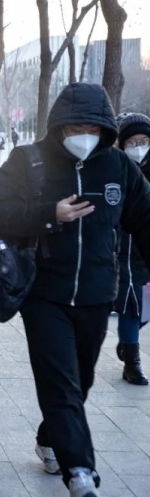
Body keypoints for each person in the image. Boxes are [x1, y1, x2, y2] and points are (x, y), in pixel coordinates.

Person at [0, 84, 150, 497]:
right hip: (44, 294)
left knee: (81, 381)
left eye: (92, 129)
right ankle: (80, 472)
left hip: (96, 294)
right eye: (75, 128)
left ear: (105, 130)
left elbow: (145, 219)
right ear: (58, 126)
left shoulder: (117, 166)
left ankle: (50, 437)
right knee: (59, 381)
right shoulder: (28, 161)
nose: (84, 136)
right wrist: (49, 215)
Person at [114, 113, 150, 386]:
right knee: (131, 303)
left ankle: (128, 342)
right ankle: (132, 362)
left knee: (144, 306)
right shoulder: (116, 170)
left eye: (143, 141)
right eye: (132, 142)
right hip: (125, 247)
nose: (138, 147)